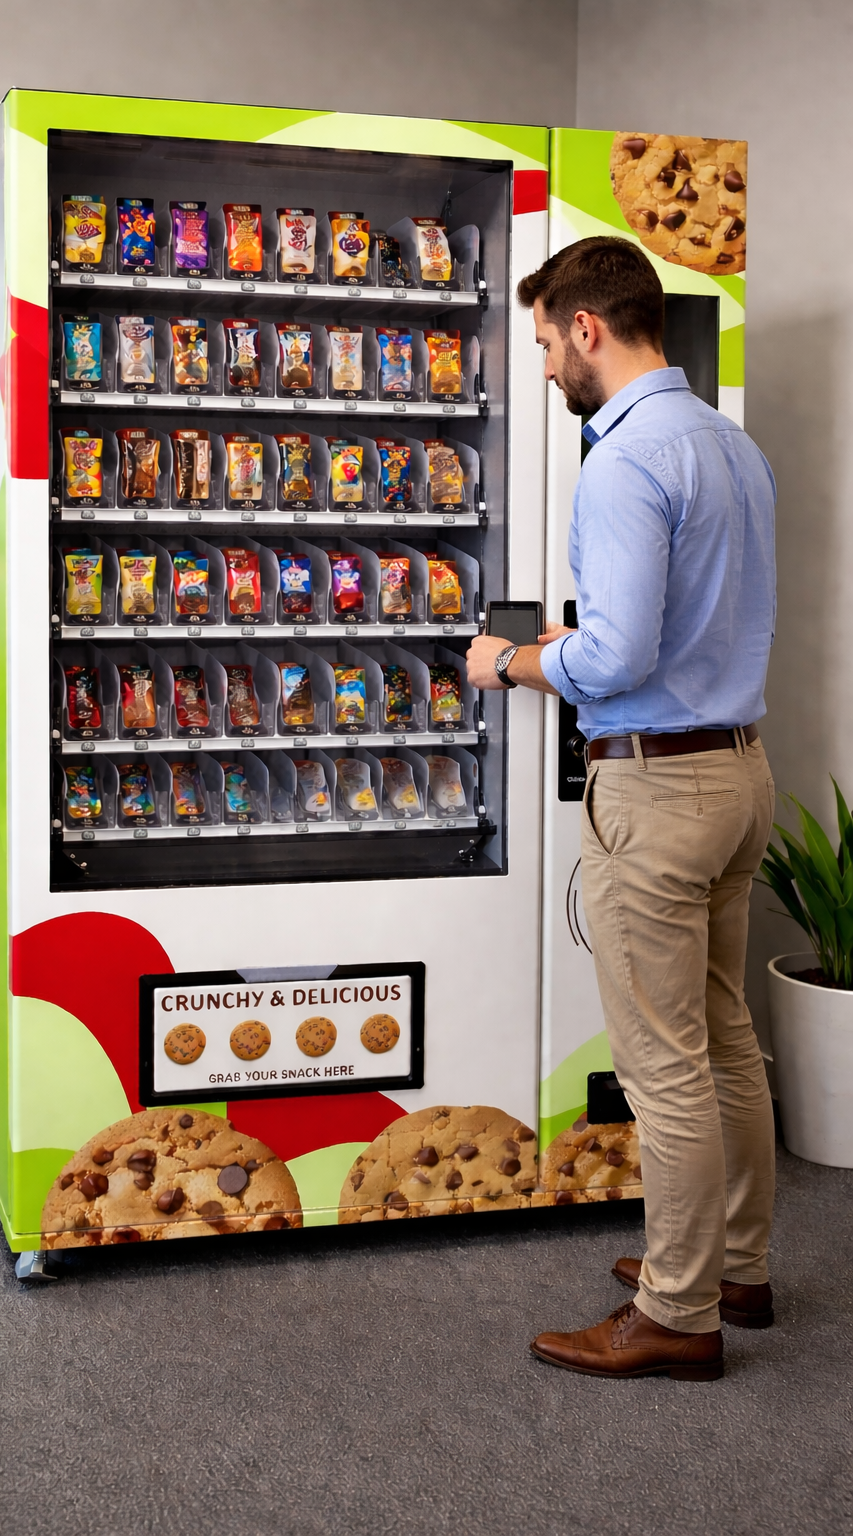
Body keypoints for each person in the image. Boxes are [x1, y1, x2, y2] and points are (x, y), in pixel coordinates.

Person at [467, 235, 777, 1382]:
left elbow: (618, 656)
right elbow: (695, 619)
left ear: (589, 328)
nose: (546, 365)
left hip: (656, 789)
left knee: (664, 1066)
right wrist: (587, 642)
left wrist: (511, 662)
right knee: (725, 1039)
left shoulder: (623, 460)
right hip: (737, 772)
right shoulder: (728, 443)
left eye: (548, 341)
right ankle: (734, 1266)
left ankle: (676, 1313)